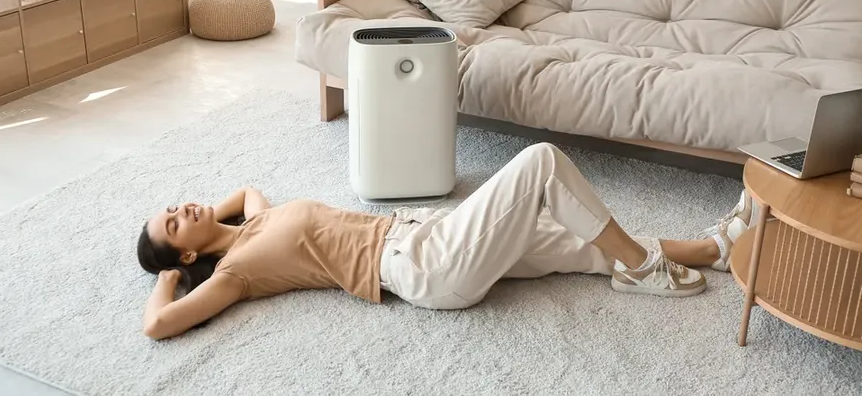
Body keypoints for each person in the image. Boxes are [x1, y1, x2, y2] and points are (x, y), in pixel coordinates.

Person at [137, 143, 739, 341]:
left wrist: (203, 225)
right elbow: (158, 327)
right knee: (542, 164)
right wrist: (169, 277)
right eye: (173, 225)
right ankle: (642, 267)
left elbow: (244, 192)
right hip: (421, 265)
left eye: (171, 207)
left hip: (423, 234)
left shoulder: (255, 222)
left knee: (573, 236)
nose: (181, 209)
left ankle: (715, 249)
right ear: (188, 254)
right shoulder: (233, 273)